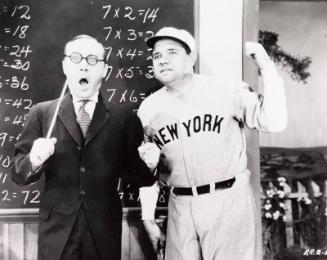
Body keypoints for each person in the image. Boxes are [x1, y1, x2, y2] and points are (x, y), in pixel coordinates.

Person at [137, 27, 287, 260]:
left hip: (227, 201)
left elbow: (274, 121)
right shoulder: (148, 108)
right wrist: (148, 218)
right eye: (157, 56)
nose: (163, 60)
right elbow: (147, 171)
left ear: (192, 58)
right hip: (180, 206)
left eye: (172, 52)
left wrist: (267, 69)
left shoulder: (226, 89)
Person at [10, 34, 157, 260]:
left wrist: (150, 163)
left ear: (105, 70)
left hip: (103, 229)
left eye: (92, 60)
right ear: (65, 66)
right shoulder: (42, 113)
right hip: (57, 229)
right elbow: (19, 174)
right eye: (76, 58)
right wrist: (34, 160)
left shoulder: (123, 117)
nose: (83, 67)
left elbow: (140, 178)